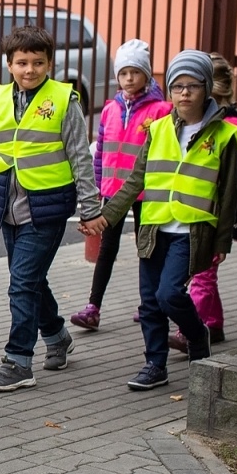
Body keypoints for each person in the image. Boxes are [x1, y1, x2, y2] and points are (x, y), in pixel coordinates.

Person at [85, 50, 237, 391]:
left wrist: (222, 242)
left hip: (191, 230)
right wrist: (105, 218)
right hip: (154, 228)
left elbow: (229, 194)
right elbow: (134, 181)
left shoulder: (225, 136)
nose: (184, 93)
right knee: (150, 301)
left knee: (170, 293)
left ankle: (197, 334)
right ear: (169, 90)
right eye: (177, 86)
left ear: (206, 89)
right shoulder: (156, 130)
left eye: (193, 85)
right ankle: (154, 364)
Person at [0, 25, 102, 391]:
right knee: (31, 280)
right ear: (8, 64)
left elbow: (79, 156)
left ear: (49, 64)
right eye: (22, 62)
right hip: (7, 204)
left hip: (47, 207)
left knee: (22, 283)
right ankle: (57, 337)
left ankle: (18, 361)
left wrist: (90, 207)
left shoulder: (63, 99)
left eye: (38, 63)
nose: (30, 70)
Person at [69, 40, 170, 332]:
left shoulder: (161, 110)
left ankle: (149, 304)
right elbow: (101, 150)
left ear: (147, 75)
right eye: (123, 72)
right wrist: (99, 183)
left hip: (145, 193)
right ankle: (93, 307)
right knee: (106, 249)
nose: (129, 79)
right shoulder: (111, 109)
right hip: (113, 191)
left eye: (135, 72)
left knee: (147, 247)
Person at [171, 52, 237, 350]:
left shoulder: (231, 128)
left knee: (202, 274)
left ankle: (190, 330)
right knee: (205, 274)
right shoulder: (191, 122)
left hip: (213, 215)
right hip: (194, 212)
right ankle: (214, 324)